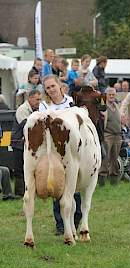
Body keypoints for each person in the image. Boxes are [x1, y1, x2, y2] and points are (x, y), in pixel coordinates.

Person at [40, 74, 82, 235]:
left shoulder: (71, 102)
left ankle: (76, 219)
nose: (51, 90)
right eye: (48, 88)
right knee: (58, 188)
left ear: (60, 85)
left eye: (53, 86)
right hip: (55, 152)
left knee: (74, 187)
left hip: (72, 152)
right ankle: (60, 225)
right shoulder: (44, 106)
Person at [11, 89, 42, 197]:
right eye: (37, 99)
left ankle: (32, 191)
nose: (39, 102)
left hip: (29, 144)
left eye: (40, 99)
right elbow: (26, 125)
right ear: (30, 98)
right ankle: (19, 193)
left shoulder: (36, 109)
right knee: (19, 169)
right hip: (18, 143)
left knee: (31, 168)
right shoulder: (22, 109)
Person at [98, 87, 122, 186]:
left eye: (113, 94)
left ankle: (114, 181)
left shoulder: (116, 106)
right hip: (107, 135)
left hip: (117, 135)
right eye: (110, 95)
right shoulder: (103, 107)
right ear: (106, 96)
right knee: (105, 159)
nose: (112, 96)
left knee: (115, 159)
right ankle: (102, 181)